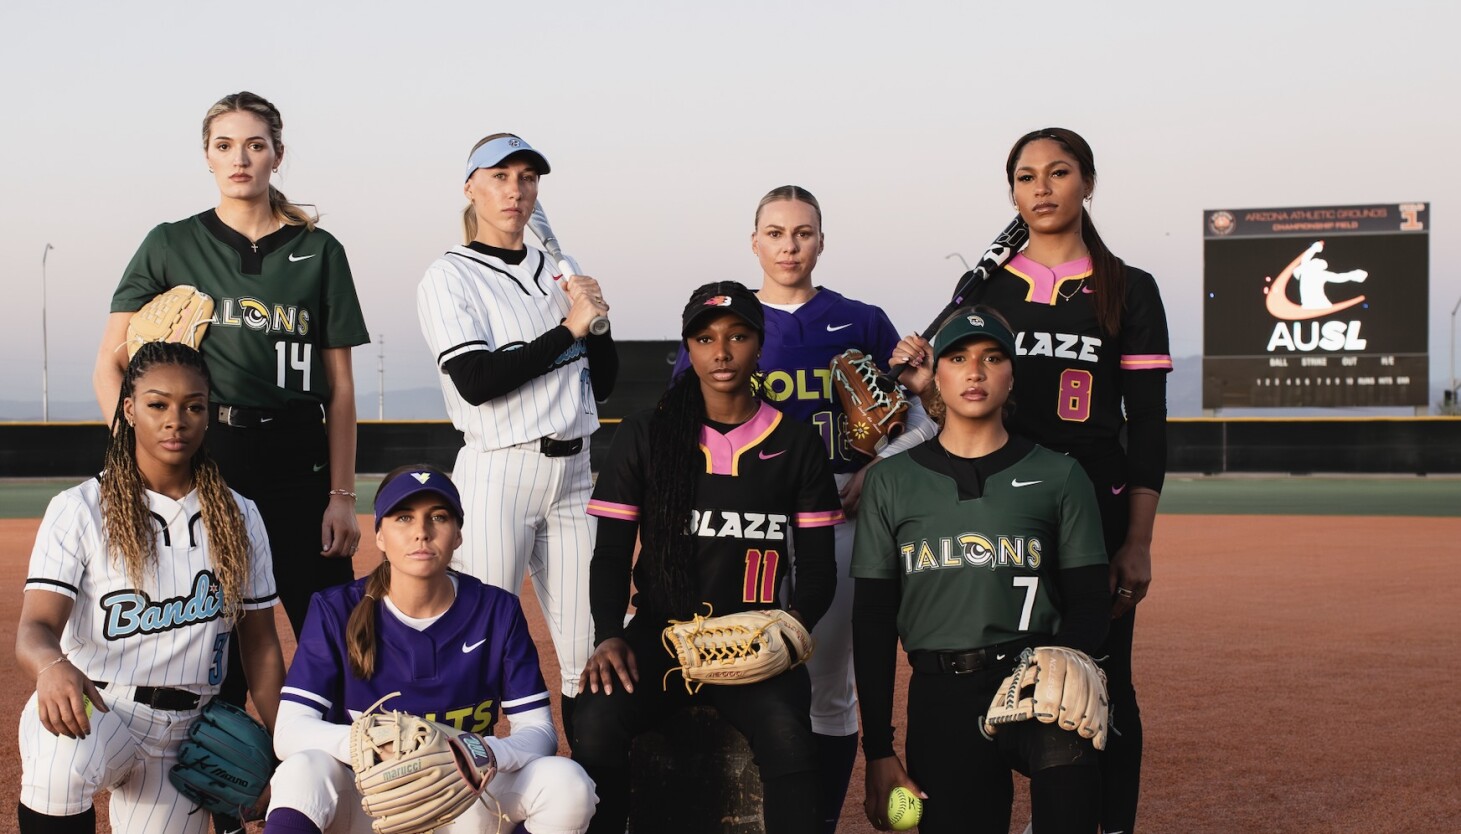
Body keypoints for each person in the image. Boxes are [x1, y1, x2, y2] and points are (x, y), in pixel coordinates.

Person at [93, 93, 369, 832]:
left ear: (277, 152)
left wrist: (343, 493)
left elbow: (341, 389)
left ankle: (347, 802)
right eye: (223, 144)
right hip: (213, 457)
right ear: (207, 155)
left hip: (301, 459)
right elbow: (111, 362)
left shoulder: (319, 250)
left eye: (254, 144)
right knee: (220, 644)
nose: (239, 158)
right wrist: (136, 456)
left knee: (337, 638)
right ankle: (224, 806)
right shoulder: (170, 244)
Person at [895, 127, 1172, 833]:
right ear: (1012, 191)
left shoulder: (1128, 287)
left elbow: (1147, 425)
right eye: (1025, 177)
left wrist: (1138, 541)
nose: (1041, 189)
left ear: (1088, 183)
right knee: (997, 670)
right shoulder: (985, 286)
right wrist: (926, 387)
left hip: (1096, 503)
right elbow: (961, 406)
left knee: (1099, 680)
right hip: (998, 506)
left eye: (1058, 172)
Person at [668, 186, 936, 832]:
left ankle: (812, 822)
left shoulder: (861, 320)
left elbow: (923, 419)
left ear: (821, 240)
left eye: (803, 232)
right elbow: (679, 423)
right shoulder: (728, 321)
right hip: (745, 520)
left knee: (826, 685)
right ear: (754, 242)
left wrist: (880, 464)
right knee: (732, 666)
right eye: (775, 232)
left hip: (838, 514)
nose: (789, 246)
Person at [574, 281, 843, 834]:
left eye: (737, 336)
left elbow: (819, 569)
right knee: (595, 718)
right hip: (664, 636)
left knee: (790, 736)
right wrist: (609, 634)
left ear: (759, 344)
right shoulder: (647, 433)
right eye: (705, 339)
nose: (721, 352)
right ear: (688, 348)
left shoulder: (796, 442)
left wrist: (791, 629)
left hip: (755, 638)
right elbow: (612, 554)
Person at [854, 310, 1111, 834]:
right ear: (936, 377)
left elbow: (1090, 600)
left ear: (1012, 376)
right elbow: (874, 619)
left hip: (1035, 682)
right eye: (957, 358)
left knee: (1070, 784)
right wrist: (878, 749)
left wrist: (1064, 662)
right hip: (941, 694)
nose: (975, 372)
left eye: (992, 358)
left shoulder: (1059, 474)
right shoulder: (891, 481)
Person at [18, 341, 285, 833]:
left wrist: (286, 747)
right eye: (157, 404)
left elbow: (261, 645)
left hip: (187, 735)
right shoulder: (80, 508)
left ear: (208, 415)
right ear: (129, 409)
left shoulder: (240, 515)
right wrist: (51, 666)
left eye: (193, 407)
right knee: (60, 764)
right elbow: (35, 627)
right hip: (97, 706)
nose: (175, 421)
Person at [260, 465, 597, 834]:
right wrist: (370, 744)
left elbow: (539, 730)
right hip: (373, 801)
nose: (421, 531)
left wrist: (475, 752)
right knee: (301, 771)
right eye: (404, 517)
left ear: (458, 535)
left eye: (438, 517)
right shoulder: (335, 609)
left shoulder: (496, 610)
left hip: (465, 795)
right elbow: (289, 731)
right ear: (380, 535)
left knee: (566, 784)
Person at [416, 134, 618, 736]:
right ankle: (460, 784)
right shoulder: (449, 277)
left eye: (527, 177)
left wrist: (597, 322)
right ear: (470, 187)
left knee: (591, 655)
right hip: (499, 473)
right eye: (500, 176)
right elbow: (477, 381)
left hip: (575, 476)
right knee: (477, 643)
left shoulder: (560, 269)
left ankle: (589, 786)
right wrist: (568, 329)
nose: (515, 189)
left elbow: (605, 384)